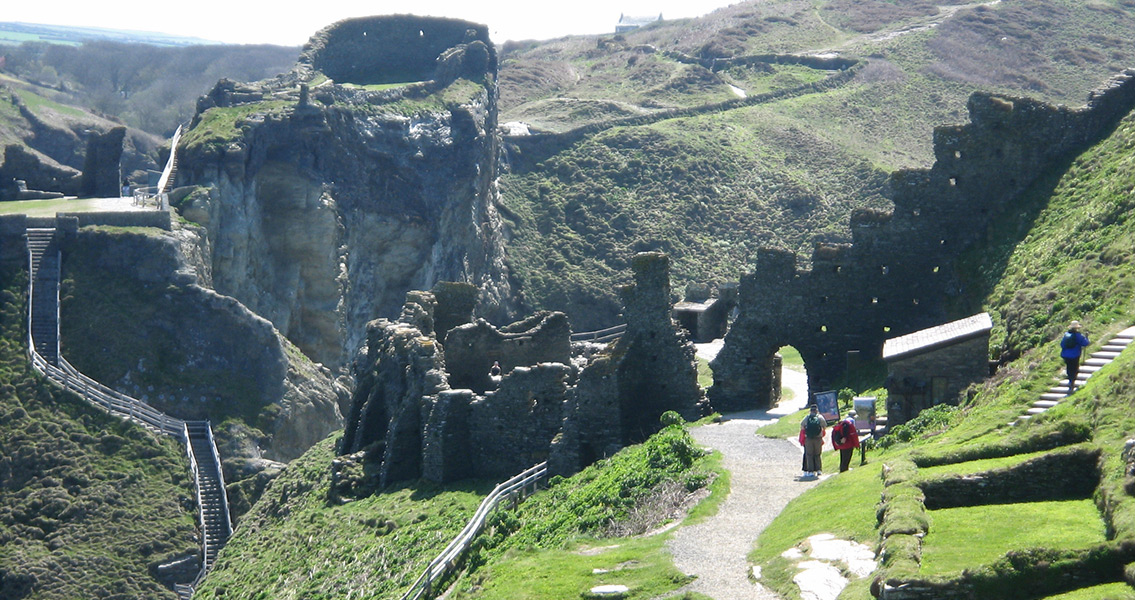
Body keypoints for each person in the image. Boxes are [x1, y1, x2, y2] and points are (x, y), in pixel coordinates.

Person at [1060, 321, 1090, 395]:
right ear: (1077, 328)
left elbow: (1062, 344)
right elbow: (1085, 343)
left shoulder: (1066, 335)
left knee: (1069, 368)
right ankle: (1072, 383)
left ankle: (1070, 381)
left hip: (1066, 355)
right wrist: (1086, 337)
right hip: (1075, 355)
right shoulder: (1078, 335)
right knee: (1075, 369)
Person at [799, 404, 827, 478]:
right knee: (817, 454)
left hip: (808, 438)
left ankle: (810, 471)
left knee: (809, 455)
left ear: (810, 411)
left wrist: (806, 432)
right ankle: (819, 470)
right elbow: (824, 426)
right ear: (817, 410)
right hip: (818, 438)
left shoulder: (807, 417)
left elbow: (802, 426)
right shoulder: (820, 417)